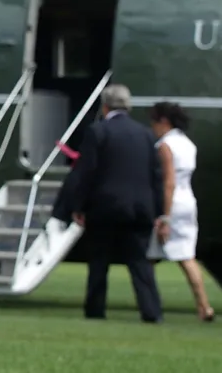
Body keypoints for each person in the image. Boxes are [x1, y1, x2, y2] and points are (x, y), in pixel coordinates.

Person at [66, 83, 165, 323]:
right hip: (140, 208)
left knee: (99, 261)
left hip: (105, 207)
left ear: (105, 106)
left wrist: (78, 205)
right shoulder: (146, 134)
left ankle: (95, 310)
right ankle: (151, 311)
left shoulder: (98, 132)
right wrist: (159, 211)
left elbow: (87, 172)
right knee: (139, 262)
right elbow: (156, 175)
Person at [145, 101, 214, 322]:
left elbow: (168, 182)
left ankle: (150, 303)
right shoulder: (188, 144)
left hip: (170, 202)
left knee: (148, 258)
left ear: (164, 121)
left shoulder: (165, 146)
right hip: (188, 200)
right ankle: (204, 305)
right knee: (186, 257)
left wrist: (165, 217)